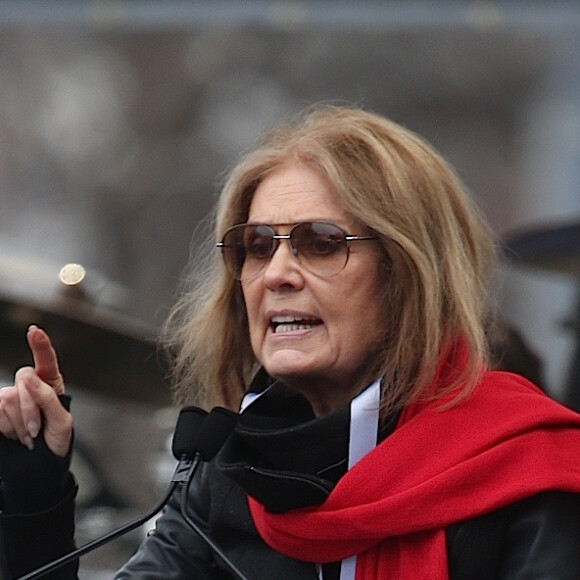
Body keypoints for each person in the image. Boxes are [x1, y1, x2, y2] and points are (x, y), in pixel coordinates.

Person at [1, 104, 580, 580]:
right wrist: (35, 492)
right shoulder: (225, 472)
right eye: (257, 246)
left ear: (407, 272)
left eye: (321, 242)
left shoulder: (531, 468)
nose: (277, 272)